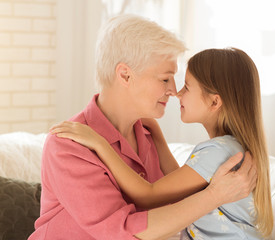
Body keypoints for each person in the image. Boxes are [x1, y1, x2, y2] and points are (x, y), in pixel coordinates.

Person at [29, 14, 257, 240]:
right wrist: (215, 195)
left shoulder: (148, 136)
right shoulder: (69, 145)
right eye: (165, 79)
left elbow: (176, 205)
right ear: (125, 75)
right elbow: (125, 231)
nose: (173, 91)